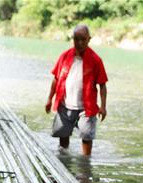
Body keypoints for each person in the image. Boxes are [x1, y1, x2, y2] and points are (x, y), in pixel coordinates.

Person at [45, 24, 108, 156]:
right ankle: (63, 161)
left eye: (83, 39)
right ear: (72, 39)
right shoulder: (65, 56)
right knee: (63, 137)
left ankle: (85, 165)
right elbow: (56, 79)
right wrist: (50, 99)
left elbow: (102, 85)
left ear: (89, 39)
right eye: (76, 39)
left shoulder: (96, 60)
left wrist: (103, 106)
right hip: (65, 104)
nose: (79, 43)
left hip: (86, 108)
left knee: (87, 136)